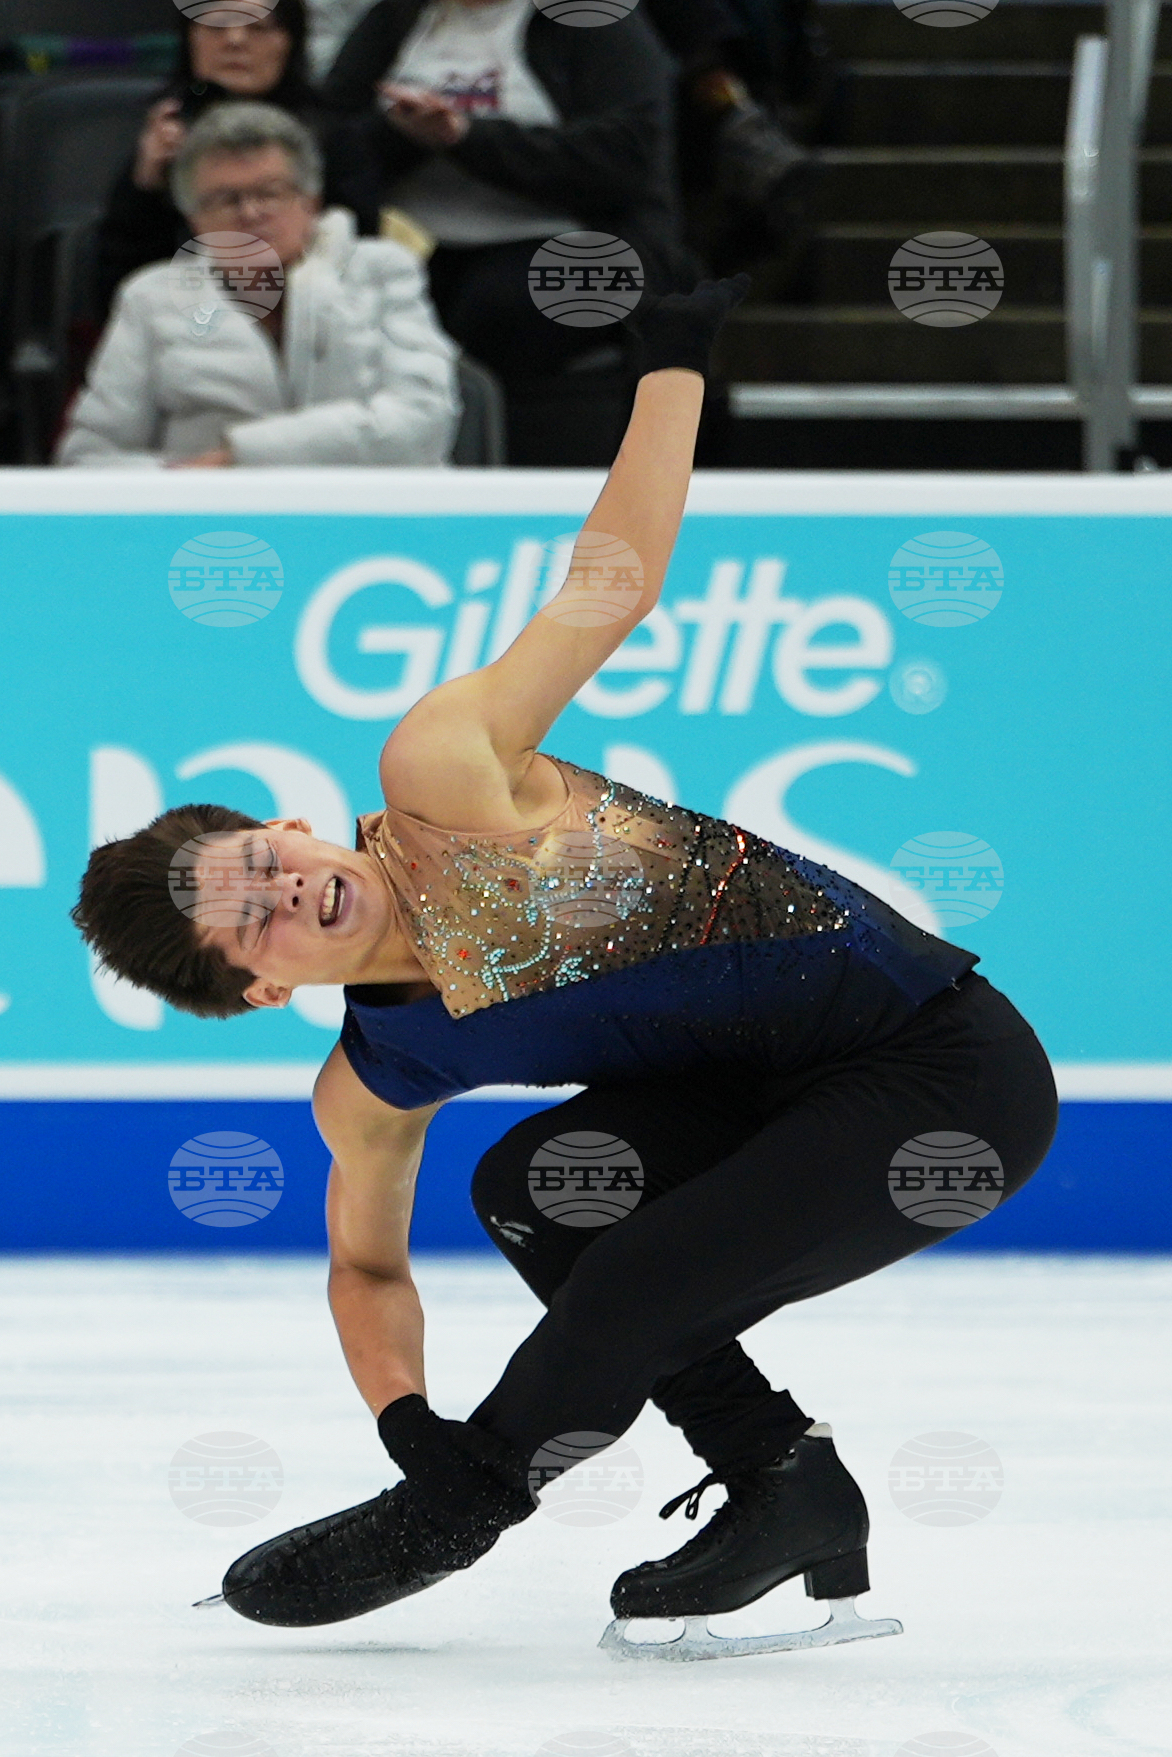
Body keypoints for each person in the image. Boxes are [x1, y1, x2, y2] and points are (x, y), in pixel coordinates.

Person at [70, 277, 1058, 1658]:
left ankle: (474, 1504)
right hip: (778, 1110)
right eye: (257, 921)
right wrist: (401, 1418)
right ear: (256, 991)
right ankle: (788, 1486)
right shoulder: (374, 1078)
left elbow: (615, 582)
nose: (288, 889)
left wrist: (670, 364)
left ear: (287, 823)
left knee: (640, 1273)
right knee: (532, 1187)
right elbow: (364, 1266)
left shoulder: (443, 774)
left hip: (945, 1074)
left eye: (263, 859)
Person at [56, 104, 458, 468]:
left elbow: (424, 419)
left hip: (369, 521)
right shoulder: (151, 296)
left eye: (270, 194)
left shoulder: (383, 269)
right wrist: (182, 483)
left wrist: (237, 458)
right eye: (225, 199)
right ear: (194, 219)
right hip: (206, 523)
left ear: (311, 203)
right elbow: (89, 454)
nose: (250, 214)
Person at [317, 0, 693, 384]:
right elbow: (330, 134)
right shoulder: (399, 16)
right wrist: (404, 136)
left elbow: (628, 159)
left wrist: (465, 138)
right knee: (362, 301)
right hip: (418, 240)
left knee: (493, 309)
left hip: (581, 242)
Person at [94, 0, 362, 323]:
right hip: (179, 326)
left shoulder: (332, 140)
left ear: (290, 41)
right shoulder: (161, 130)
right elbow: (117, 293)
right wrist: (145, 186)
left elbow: (357, 274)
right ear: (190, 38)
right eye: (217, 25)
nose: (235, 40)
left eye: (258, 27)